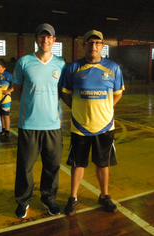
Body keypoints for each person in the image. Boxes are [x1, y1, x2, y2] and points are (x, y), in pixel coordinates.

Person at [61, 30, 124, 216]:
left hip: (104, 126)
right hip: (80, 126)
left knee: (103, 164)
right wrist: (76, 108)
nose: (93, 45)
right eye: (90, 42)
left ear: (102, 46)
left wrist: (106, 108)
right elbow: (64, 92)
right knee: (77, 163)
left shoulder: (113, 68)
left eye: (97, 42)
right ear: (84, 45)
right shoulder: (73, 68)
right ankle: (73, 198)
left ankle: (104, 196)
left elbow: (118, 92)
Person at [12, 23, 66, 218]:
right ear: (36, 40)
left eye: (48, 37)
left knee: (52, 165)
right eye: (41, 37)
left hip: (53, 125)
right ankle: (23, 201)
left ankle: (48, 198)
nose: (45, 40)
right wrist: (32, 106)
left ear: (54, 40)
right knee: (25, 167)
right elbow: (18, 90)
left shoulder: (60, 64)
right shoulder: (24, 62)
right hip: (29, 124)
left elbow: (61, 91)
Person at [0, 58, 14, 142]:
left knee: (6, 115)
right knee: (1, 115)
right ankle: (3, 130)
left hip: (5, 99)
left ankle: (7, 133)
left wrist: (8, 90)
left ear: (4, 68)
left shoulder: (7, 75)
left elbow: (15, 84)